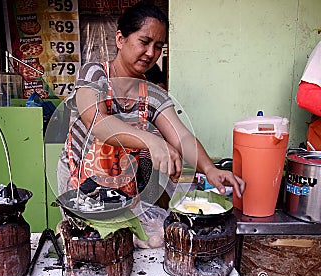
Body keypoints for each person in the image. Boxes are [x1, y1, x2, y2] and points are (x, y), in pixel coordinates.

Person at [57, 1, 245, 202]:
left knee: (122, 233)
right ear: (120, 39)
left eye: (157, 47)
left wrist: (210, 169)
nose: (150, 53)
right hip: (79, 181)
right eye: (144, 42)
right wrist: (151, 141)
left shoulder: (153, 95)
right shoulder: (95, 74)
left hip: (121, 185)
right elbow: (97, 121)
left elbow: (181, 137)